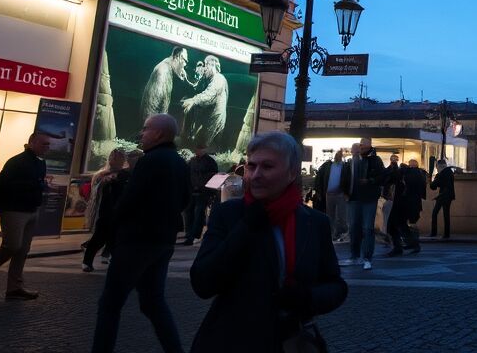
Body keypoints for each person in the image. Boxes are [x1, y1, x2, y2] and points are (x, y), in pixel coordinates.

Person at [190, 132, 347, 351]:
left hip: (289, 340)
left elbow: (336, 286)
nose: (255, 175)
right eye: (251, 166)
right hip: (233, 339)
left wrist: (307, 298)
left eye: (267, 167)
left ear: (292, 173)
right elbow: (202, 282)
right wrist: (245, 228)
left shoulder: (314, 222)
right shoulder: (228, 214)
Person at [89, 114, 190, 353]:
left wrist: (113, 224)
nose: (142, 133)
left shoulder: (149, 160)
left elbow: (130, 199)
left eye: (145, 129)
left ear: (159, 134)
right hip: (163, 240)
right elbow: (185, 199)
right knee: (153, 302)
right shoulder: (180, 162)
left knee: (110, 304)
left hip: (136, 240)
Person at [0, 131, 51, 301]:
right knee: (12, 245)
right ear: (32, 142)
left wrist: (40, 187)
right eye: (44, 144)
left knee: (23, 249)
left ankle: (14, 287)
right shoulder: (18, 162)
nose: (47, 147)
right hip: (14, 209)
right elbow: (3, 185)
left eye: (48, 144)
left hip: (31, 209)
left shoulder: (40, 162)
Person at [340, 137, 385, 269]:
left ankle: (366, 257)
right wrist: (345, 193)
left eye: (363, 145)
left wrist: (370, 181)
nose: (361, 148)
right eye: (360, 146)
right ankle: (355, 256)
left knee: (367, 228)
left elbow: (382, 176)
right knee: (354, 227)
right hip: (354, 198)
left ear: (369, 146)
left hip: (368, 198)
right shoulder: (351, 162)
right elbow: (345, 177)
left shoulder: (375, 160)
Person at [386, 158, 424, 256]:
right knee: (401, 225)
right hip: (407, 205)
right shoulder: (418, 174)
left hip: (402, 205)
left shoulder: (406, 174)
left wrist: (393, 166)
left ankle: (399, 247)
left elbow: (391, 177)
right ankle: (412, 244)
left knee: (393, 225)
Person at [182, 144, 218, 246]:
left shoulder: (209, 161)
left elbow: (213, 175)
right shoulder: (193, 161)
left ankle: (193, 235)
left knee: (198, 213)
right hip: (193, 191)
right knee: (190, 212)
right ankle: (189, 234)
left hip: (203, 192)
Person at [319, 150, 348, 241]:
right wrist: (320, 191)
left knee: (341, 216)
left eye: (339, 155)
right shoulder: (328, 166)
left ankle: (340, 233)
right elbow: (321, 177)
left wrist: (346, 193)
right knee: (330, 216)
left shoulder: (345, 166)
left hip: (340, 194)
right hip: (329, 194)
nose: (337, 156)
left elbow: (348, 180)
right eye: (337, 155)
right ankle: (332, 234)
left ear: (342, 157)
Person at [429, 159, 455, 239]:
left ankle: (434, 232)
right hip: (448, 195)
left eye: (437, 167)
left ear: (440, 166)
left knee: (435, 213)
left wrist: (432, 179)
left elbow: (433, 186)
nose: (436, 169)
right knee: (446, 214)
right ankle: (446, 234)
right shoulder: (449, 172)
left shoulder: (442, 173)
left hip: (443, 195)